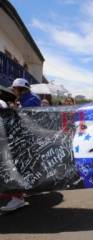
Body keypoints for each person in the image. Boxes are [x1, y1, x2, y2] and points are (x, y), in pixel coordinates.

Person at [1, 78, 41, 212]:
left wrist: (15, 109)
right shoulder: (26, 99)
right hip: (24, 137)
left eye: (14, 89)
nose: (13, 91)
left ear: (20, 89)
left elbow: (26, 116)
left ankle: (18, 197)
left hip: (25, 138)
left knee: (19, 165)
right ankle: (23, 191)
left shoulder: (31, 100)